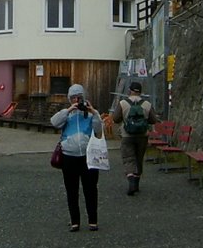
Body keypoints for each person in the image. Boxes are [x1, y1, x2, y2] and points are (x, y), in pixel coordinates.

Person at [50, 84, 104, 232]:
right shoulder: (66, 114)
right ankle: (75, 221)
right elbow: (54, 123)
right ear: (69, 99)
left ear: (84, 98)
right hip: (69, 156)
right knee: (71, 190)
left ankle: (93, 221)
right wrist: (68, 110)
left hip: (88, 156)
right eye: (73, 98)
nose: (76, 100)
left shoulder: (90, 114)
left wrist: (94, 112)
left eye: (79, 97)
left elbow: (99, 130)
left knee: (90, 189)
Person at [111, 81, 159, 195]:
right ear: (140, 92)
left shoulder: (123, 103)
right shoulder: (147, 104)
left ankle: (131, 182)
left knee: (128, 158)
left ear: (130, 90)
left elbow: (115, 119)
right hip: (142, 136)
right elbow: (153, 120)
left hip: (127, 136)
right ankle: (136, 184)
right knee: (139, 158)